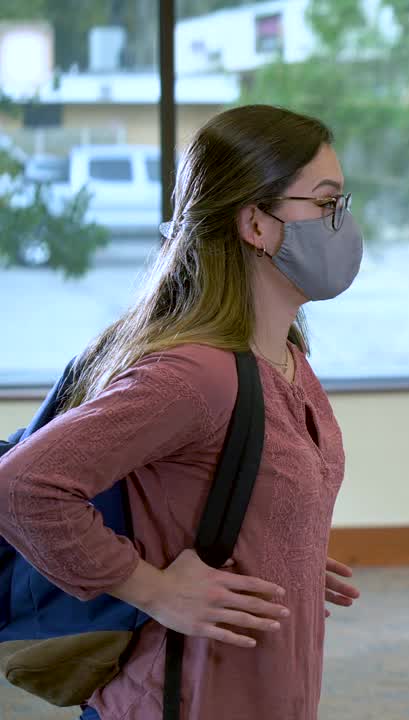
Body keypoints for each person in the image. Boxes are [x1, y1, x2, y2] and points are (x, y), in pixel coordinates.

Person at [0, 105, 364, 720]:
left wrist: (282, 543)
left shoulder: (288, 356)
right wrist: (154, 590)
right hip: (182, 699)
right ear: (256, 223)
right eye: (326, 204)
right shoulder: (198, 374)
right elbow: (21, 488)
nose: (343, 224)